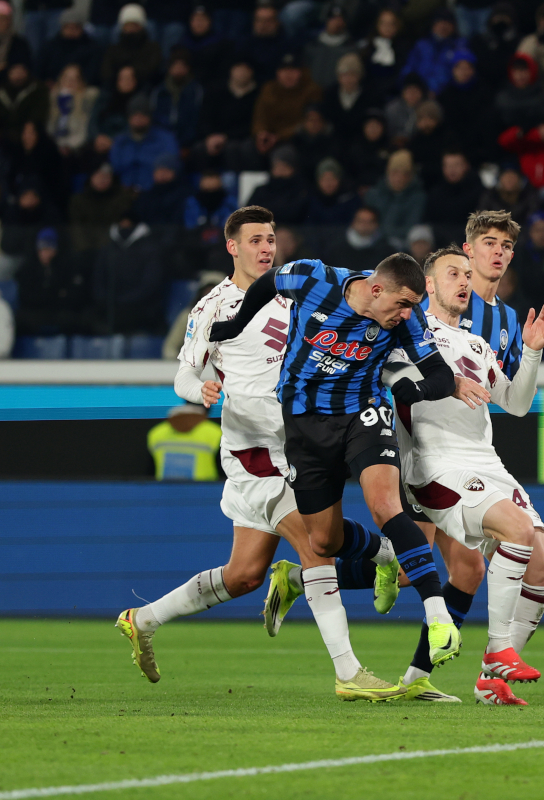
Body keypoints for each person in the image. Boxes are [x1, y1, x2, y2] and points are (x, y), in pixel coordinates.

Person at [118, 206, 405, 701]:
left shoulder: (296, 289)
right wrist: (200, 391)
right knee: (317, 544)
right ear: (232, 246)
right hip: (255, 447)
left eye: (270, 238)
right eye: (254, 240)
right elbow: (184, 373)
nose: (266, 247)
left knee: (245, 574)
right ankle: (349, 671)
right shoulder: (212, 307)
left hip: (301, 437)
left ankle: (142, 619)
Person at [206, 221, 464, 684]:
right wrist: (235, 323)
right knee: (322, 541)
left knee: (386, 505)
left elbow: (442, 377)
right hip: (303, 425)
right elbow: (267, 282)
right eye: (402, 304)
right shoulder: (314, 278)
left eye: (413, 307)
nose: (407, 315)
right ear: (376, 287)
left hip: (362, 413)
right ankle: (384, 557)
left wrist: (411, 388)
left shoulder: (407, 319)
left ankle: (437, 614)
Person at [394, 211, 544, 704]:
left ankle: (492, 680)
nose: (465, 282)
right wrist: (444, 382)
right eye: (454, 273)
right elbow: (396, 384)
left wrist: (531, 353)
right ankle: (495, 653)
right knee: (512, 533)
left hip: (485, 462)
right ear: (428, 284)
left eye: (467, 277)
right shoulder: (408, 333)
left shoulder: (479, 342)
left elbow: (517, 404)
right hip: (435, 462)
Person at [146, 403, 222, 481]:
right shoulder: (215, 432)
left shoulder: (157, 433)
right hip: (206, 490)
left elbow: (149, 471)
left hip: (164, 490)